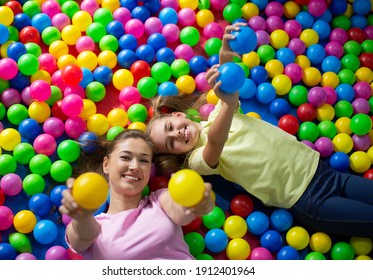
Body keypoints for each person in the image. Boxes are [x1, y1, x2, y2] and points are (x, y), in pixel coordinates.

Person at [145, 24, 373, 238]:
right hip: (307, 198)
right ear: (175, 153)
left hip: (322, 171)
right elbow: (215, 141)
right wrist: (228, 101)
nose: (176, 135)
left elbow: (227, 77)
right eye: (170, 143)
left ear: (178, 115)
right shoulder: (195, 161)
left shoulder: (218, 113)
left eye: (170, 128)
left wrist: (226, 50)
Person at [59, 129, 214, 260]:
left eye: (144, 161)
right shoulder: (94, 226)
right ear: (106, 164)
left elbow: (181, 212)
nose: (135, 166)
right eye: (125, 157)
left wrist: (193, 203)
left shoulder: (159, 201)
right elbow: (83, 236)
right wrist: (83, 216)